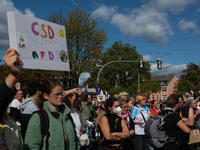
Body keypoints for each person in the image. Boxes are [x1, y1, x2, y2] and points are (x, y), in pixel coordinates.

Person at [24, 79, 79, 150]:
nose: (60, 97)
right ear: (45, 96)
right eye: (56, 94)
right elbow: (31, 146)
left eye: (61, 94)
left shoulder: (67, 115)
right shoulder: (38, 117)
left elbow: (76, 141)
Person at [0, 48, 23, 150]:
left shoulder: (10, 123)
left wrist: (14, 75)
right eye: (19, 94)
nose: (21, 96)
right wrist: (13, 75)